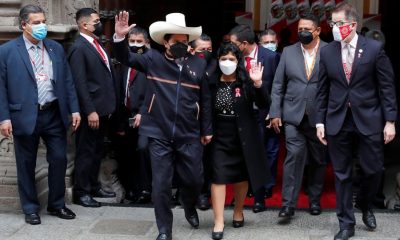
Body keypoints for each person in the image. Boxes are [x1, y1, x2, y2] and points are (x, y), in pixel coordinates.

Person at [113, 11, 213, 240]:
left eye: (184, 42)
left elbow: (205, 100)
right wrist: (119, 38)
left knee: (195, 180)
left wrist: (206, 129)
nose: (181, 45)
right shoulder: (153, 60)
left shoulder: (198, 65)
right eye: (176, 41)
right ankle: (164, 230)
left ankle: (189, 205)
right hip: (158, 132)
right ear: (165, 41)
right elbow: (126, 57)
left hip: (189, 133)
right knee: (161, 185)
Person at [315, 3, 397, 240]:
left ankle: (365, 203)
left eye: (339, 23)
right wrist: (320, 121)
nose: (334, 28)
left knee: (374, 169)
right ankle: (346, 223)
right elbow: (322, 90)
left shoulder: (373, 49)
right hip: (338, 120)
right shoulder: (328, 51)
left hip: (369, 119)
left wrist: (389, 120)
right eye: (332, 24)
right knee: (341, 173)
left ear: (353, 24)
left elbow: (386, 87)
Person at [0, 4, 80, 224]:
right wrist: (4, 118)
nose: (42, 26)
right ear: (24, 25)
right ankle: (30, 208)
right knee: (26, 163)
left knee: (59, 159)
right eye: (36, 22)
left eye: (43, 21)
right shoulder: (6, 51)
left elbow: (67, 81)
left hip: (54, 113)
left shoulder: (55, 48)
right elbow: (1, 87)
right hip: (24, 115)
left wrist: (74, 109)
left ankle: (57, 204)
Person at [269, 13, 328, 220]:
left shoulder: (329, 51)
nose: (302, 32)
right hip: (293, 115)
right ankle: (288, 205)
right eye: (300, 29)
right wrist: (275, 112)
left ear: (318, 31)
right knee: (293, 158)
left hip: (319, 116)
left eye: (307, 29)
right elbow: (278, 85)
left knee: (318, 160)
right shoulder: (288, 52)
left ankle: (314, 199)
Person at [209, 43, 270, 240]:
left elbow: (263, 103)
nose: (228, 63)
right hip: (219, 135)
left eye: (232, 59)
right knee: (218, 176)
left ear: (238, 61)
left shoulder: (245, 81)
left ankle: (238, 210)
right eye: (224, 59)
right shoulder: (211, 81)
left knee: (241, 176)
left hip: (243, 135)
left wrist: (258, 84)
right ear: (218, 61)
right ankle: (218, 220)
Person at [68, 8, 117, 208]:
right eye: (96, 21)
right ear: (84, 25)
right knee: (86, 151)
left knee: (97, 150)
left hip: (103, 108)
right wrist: (90, 111)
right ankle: (82, 192)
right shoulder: (79, 48)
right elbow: (79, 83)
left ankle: (93, 185)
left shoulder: (96, 44)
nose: (99, 23)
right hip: (92, 111)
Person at [229, 24, 280, 213]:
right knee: (240, 156)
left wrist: (274, 111)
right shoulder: (233, 59)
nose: (231, 47)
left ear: (243, 44)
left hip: (263, 114)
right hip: (241, 115)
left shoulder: (271, 57)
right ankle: (241, 192)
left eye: (233, 43)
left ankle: (260, 197)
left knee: (262, 155)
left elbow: (278, 85)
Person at [111, 26, 151, 203]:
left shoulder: (151, 63)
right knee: (126, 154)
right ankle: (131, 190)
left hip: (146, 117)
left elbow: (153, 91)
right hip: (125, 116)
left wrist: (143, 112)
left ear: (147, 43)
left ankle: (146, 189)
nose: (135, 45)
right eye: (132, 41)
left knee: (143, 150)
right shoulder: (124, 64)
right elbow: (120, 91)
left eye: (139, 42)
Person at [189, 33, 217, 211]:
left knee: (206, 161)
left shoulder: (218, 66)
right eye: (202, 50)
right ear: (192, 50)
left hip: (211, 121)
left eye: (209, 49)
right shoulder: (185, 65)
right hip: (188, 120)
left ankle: (203, 194)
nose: (206, 53)